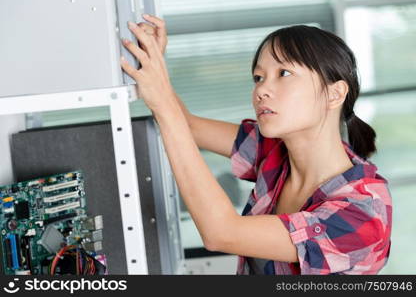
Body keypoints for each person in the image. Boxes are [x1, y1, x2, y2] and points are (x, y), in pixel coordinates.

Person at [120, 14, 392, 275]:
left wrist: (163, 104)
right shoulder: (275, 148)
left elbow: (222, 233)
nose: (261, 90)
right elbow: (188, 126)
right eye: (258, 77)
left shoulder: (363, 213)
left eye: (283, 73)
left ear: (334, 93)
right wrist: (154, 61)